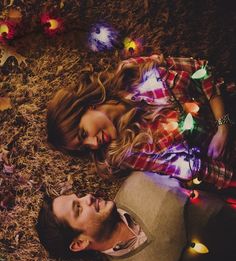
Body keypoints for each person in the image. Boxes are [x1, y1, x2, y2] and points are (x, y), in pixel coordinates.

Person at [36, 172, 236, 261]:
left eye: (78, 197)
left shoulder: (138, 182)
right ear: (79, 243)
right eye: (78, 209)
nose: (87, 197)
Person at [46, 54, 236, 190]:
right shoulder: (128, 152)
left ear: (85, 107)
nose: (94, 144)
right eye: (85, 147)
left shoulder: (131, 72)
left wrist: (223, 126)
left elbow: (201, 70)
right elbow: (195, 167)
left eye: (83, 134)